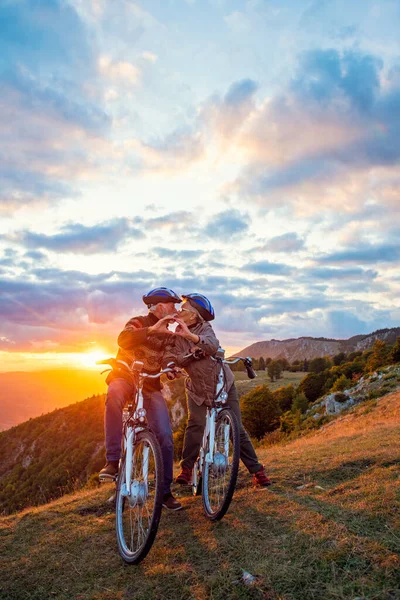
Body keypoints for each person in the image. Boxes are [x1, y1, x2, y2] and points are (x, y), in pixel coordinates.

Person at [161, 293, 272, 488]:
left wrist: (191, 337)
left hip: (223, 385)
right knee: (195, 425)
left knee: (236, 429)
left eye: (184, 309)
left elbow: (212, 345)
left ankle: (257, 471)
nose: (179, 311)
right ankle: (187, 469)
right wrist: (174, 363)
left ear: (194, 316)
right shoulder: (175, 334)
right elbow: (170, 355)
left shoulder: (205, 328)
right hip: (196, 390)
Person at [99, 286, 183, 511]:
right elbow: (123, 339)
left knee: (165, 436)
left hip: (149, 386)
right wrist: (152, 330)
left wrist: (170, 367)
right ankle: (112, 461)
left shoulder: (170, 336)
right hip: (125, 378)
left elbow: (170, 356)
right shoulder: (137, 322)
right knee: (114, 395)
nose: (175, 308)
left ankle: (165, 492)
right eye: (173, 304)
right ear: (160, 306)